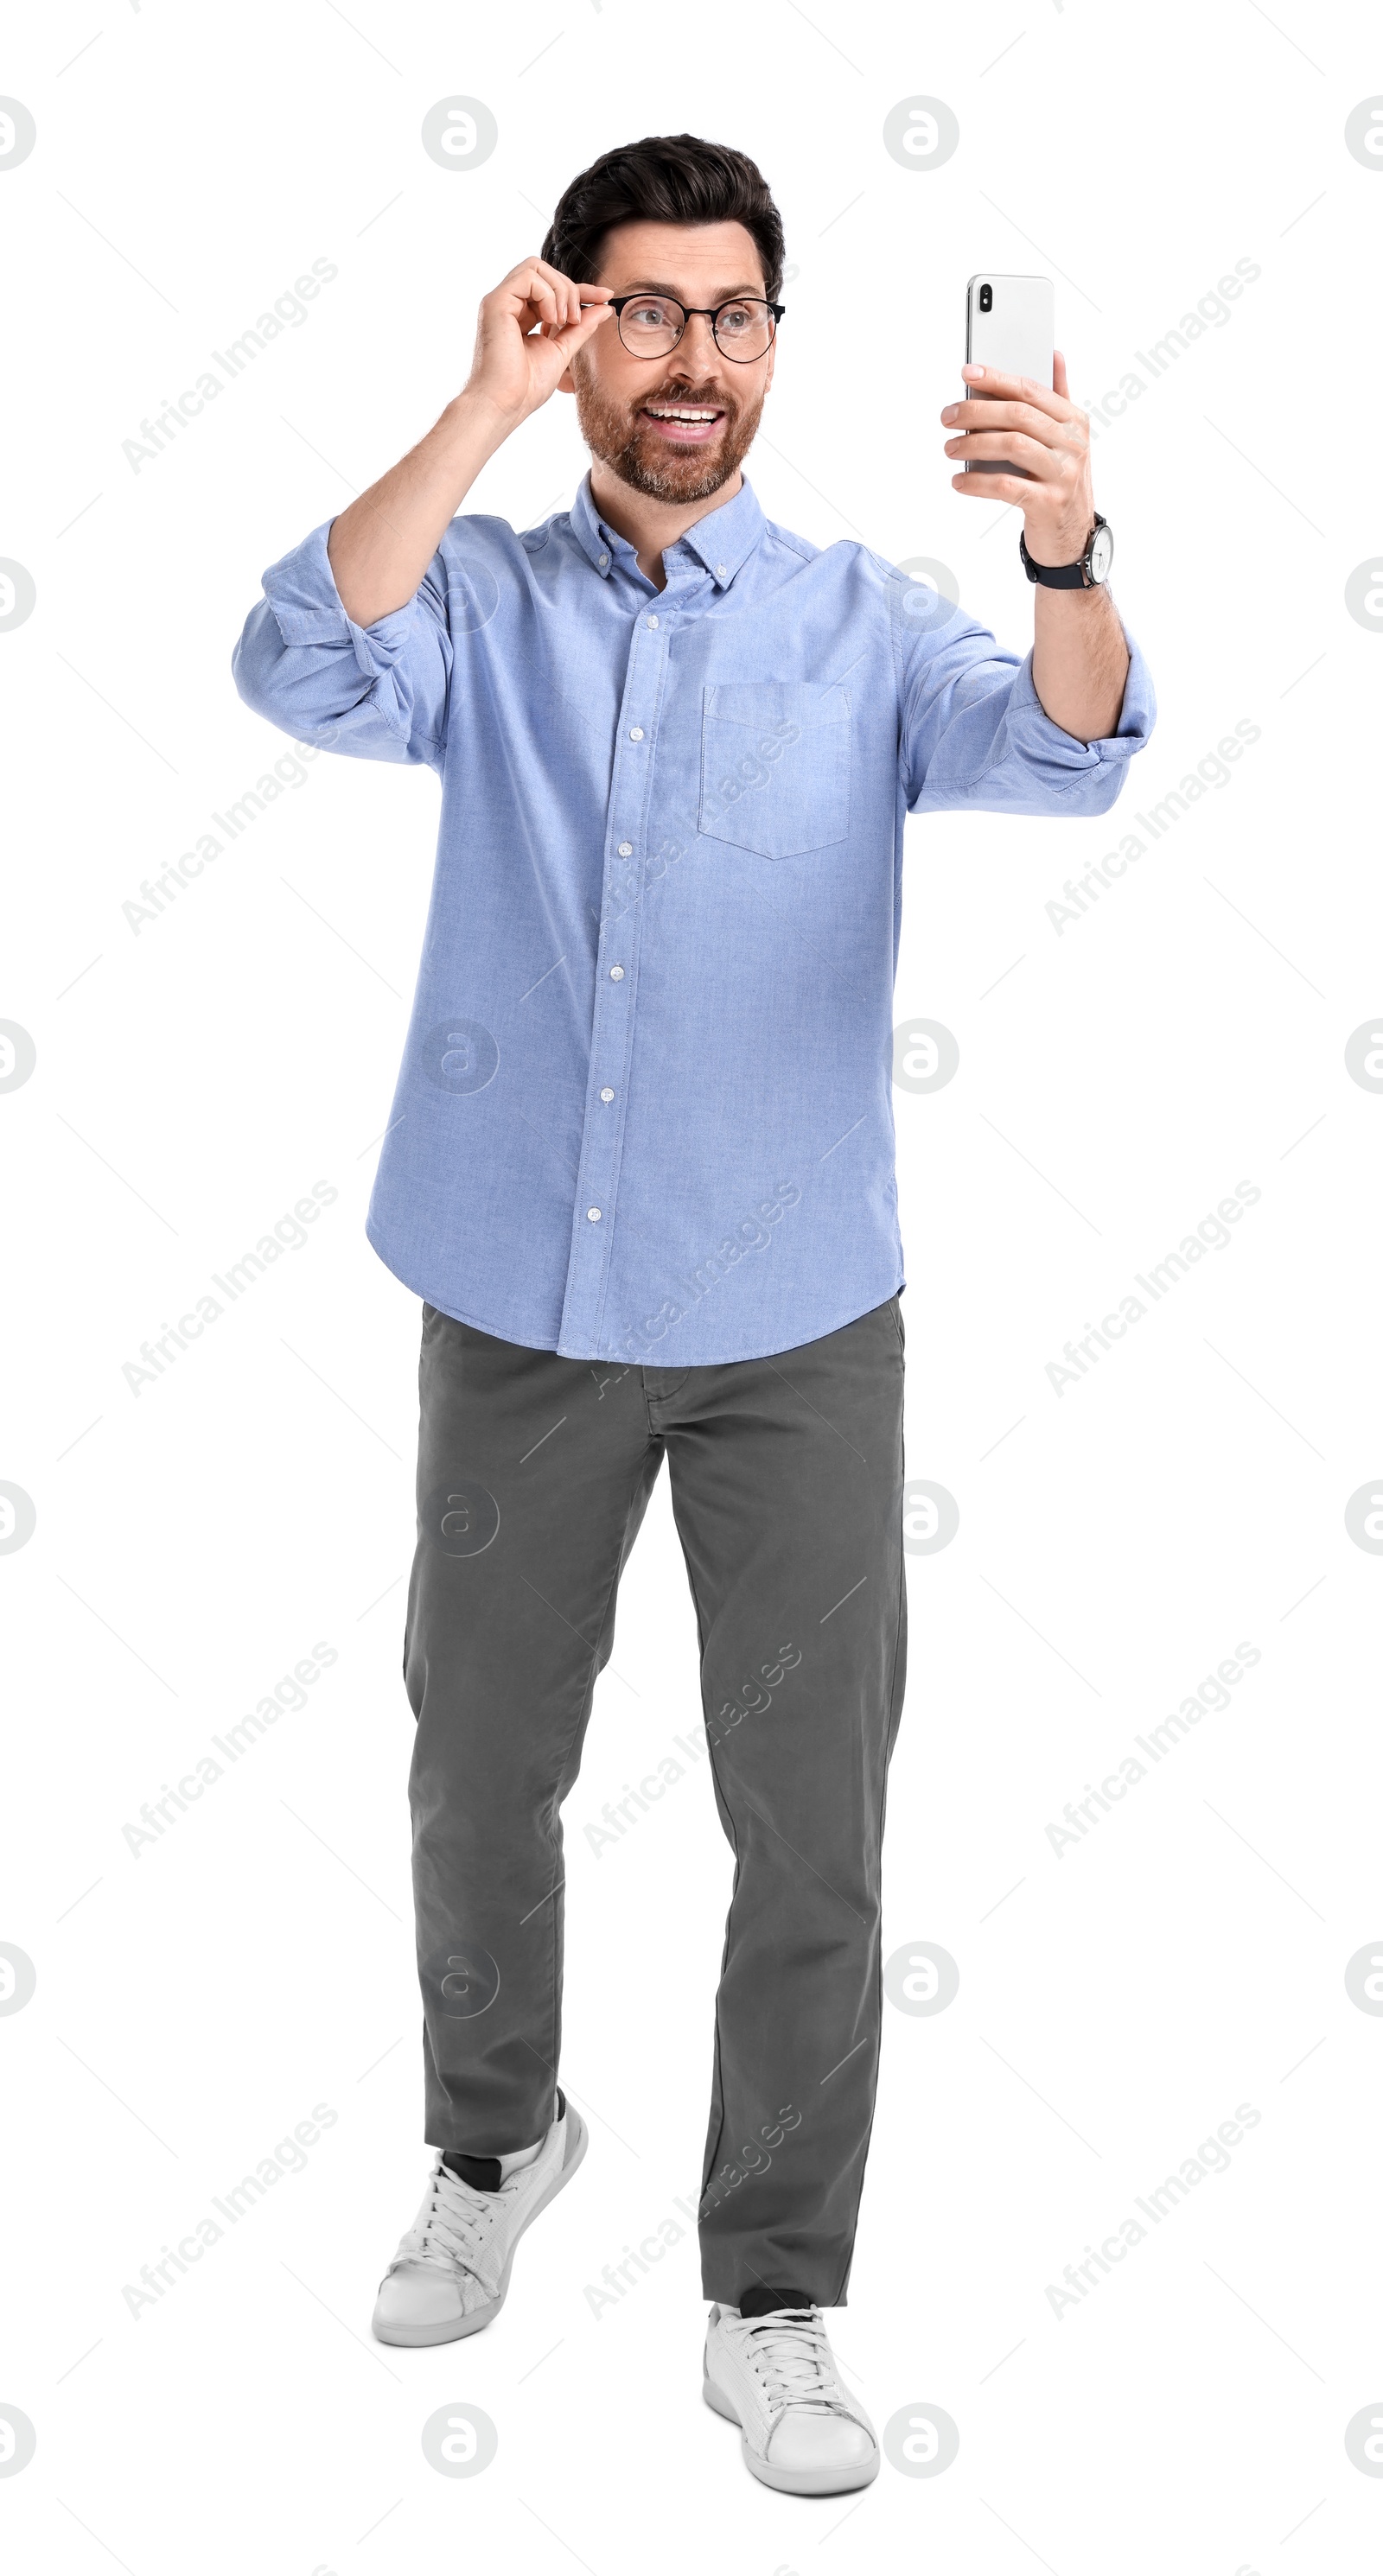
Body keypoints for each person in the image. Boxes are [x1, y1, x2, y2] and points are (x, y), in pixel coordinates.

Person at [232, 131, 1154, 2497]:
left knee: (810, 1830)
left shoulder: (863, 624)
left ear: (773, 343)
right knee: (478, 1775)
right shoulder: (491, 607)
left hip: (792, 1328)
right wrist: (474, 412)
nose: (689, 360)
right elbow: (296, 655)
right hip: (520, 1301)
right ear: (573, 323)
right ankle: (495, 2138)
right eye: (640, 312)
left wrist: (1066, 548)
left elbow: (1068, 745)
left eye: (730, 316)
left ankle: (773, 2293)